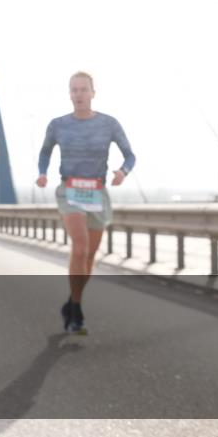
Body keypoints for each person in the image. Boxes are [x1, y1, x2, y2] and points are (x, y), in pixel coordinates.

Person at [36, 71, 136, 335]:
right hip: (69, 191)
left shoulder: (109, 124)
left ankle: (72, 301)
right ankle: (77, 310)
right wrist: (42, 173)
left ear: (93, 92)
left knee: (90, 255)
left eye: (83, 89)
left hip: (97, 193)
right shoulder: (58, 124)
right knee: (79, 247)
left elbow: (130, 155)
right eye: (74, 90)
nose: (78, 94)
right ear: (69, 94)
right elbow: (45, 152)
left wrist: (122, 173)